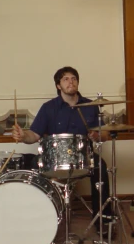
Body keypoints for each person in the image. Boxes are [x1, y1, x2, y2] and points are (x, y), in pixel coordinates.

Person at [12, 66, 113, 234]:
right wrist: (23, 136)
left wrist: (98, 136)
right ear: (58, 85)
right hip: (54, 158)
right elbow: (34, 135)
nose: (70, 82)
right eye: (65, 79)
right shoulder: (48, 108)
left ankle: (103, 221)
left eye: (73, 78)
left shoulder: (91, 106)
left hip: (83, 156)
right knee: (33, 166)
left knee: (100, 167)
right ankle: (38, 220)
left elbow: (105, 134)